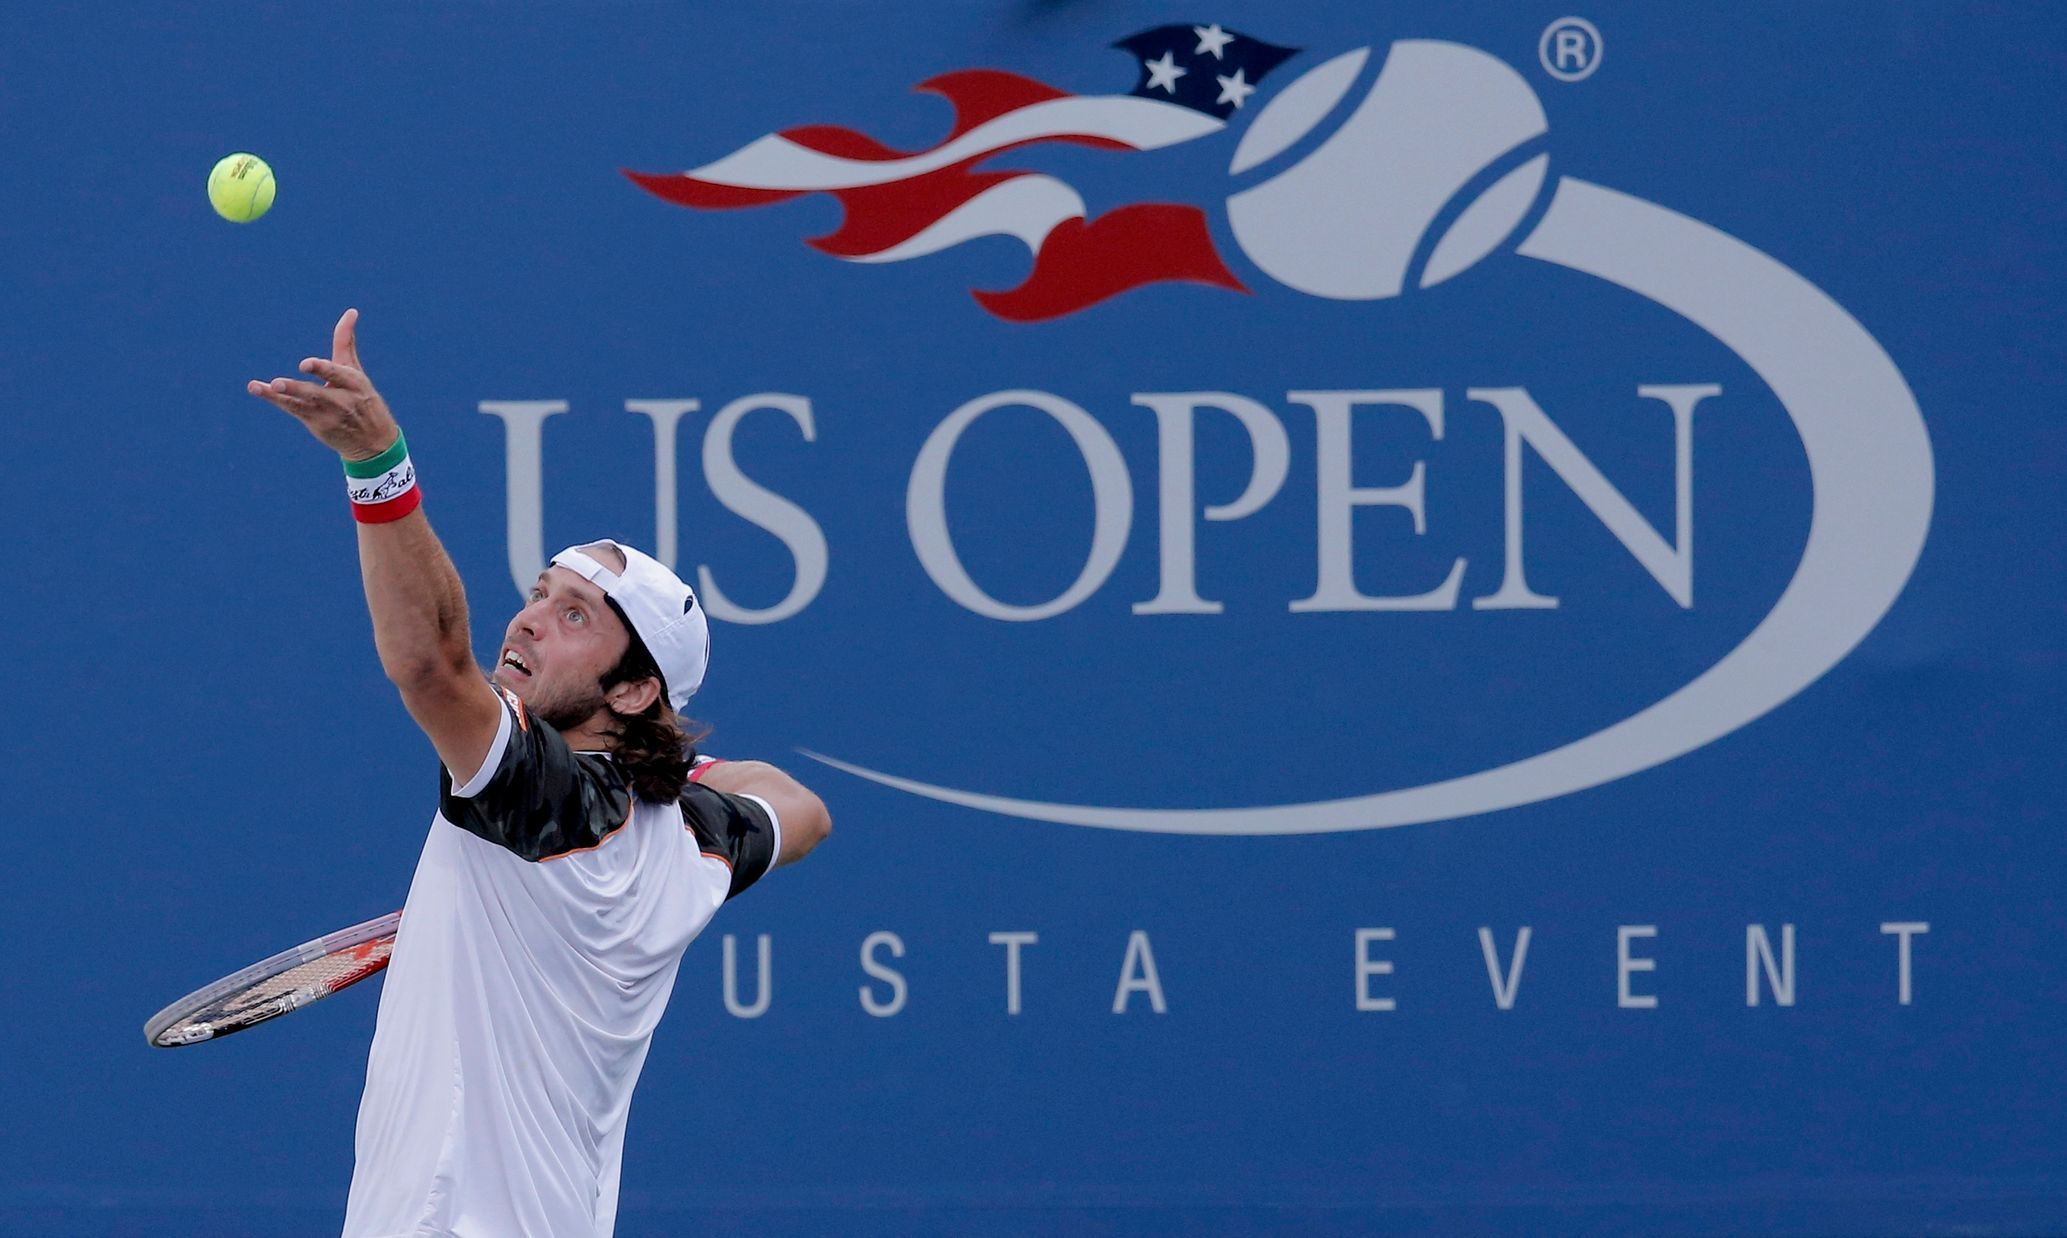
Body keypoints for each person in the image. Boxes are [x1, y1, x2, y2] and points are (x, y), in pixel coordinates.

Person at [247, 308, 831, 1237]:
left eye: (573, 619)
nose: (524, 623)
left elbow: (433, 665)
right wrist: (666, 773)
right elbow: (803, 808)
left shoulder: (550, 804)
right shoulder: (691, 841)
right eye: (537, 596)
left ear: (635, 689)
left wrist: (378, 466)